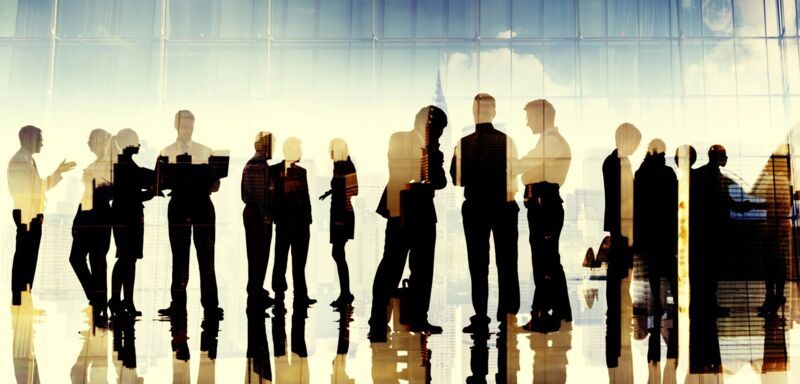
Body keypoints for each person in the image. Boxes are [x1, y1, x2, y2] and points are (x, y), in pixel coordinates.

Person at [368, 105, 448, 342]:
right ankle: (378, 320)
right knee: (391, 267)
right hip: (401, 210)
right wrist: (425, 161)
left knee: (423, 270)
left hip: (422, 214)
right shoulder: (399, 139)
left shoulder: (435, 151)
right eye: (438, 129)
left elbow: (441, 182)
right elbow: (399, 168)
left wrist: (431, 157)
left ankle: (417, 317)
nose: (439, 135)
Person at [451, 93, 520, 335]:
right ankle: (508, 314)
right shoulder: (506, 141)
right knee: (507, 262)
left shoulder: (464, 143)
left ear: (473, 112)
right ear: (494, 112)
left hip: (476, 208)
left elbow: (456, 180)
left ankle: (481, 315)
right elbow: (515, 173)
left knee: (478, 264)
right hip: (503, 206)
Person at [157, 110, 224, 319]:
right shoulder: (166, 152)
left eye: (190, 127)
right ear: (176, 126)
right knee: (180, 258)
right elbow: (157, 182)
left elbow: (216, 185)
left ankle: (210, 306)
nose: (187, 130)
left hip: (199, 205)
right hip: (181, 205)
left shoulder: (205, 151)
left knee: (206, 259)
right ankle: (179, 304)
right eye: (184, 126)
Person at [517, 99, 572, 333]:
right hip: (544, 203)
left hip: (543, 205)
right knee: (549, 261)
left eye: (530, 116)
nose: (527, 122)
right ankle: (561, 313)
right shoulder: (549, 142)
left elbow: (524, 166)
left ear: (542, 116)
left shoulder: (550, 142)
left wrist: (524, 171)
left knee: (544, 262)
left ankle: (542, 315)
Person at [8, 125, 76, 305]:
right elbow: (27, 192)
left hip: (28, 214)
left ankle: (23, 295)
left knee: (27, 257)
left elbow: (38, 188)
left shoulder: (26, 160)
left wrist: (58, 173)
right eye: (40, 138)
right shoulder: (22, 161)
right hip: (27, 214)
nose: (42, 143)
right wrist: (33, 216)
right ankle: (20, 297)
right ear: (30, 139)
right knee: (26, 257)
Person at [633, 138, 678, 362]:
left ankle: (659, 305)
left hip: (649, 231)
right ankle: (674, 300)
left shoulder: (643, 173)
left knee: (653, 270)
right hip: (666, 230)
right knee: (669, 267)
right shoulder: (668, 174)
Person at [602, 122, 641, 368]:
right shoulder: (618, 162)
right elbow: (624, 196)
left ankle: (618, 306)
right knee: (619, 272)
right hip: (623, 224)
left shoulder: (615, 161)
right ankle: (617, 307)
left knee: (620, 271)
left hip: (622, 223)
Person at [108, 129, 155, 319]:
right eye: (136, 141)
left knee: (128, 258)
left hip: (125, 215)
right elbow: (133, 192)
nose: (139, 145)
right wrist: (150, 193)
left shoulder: (123, 164)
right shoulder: (124, 166)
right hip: (128, 216)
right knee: (127, 258)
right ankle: (119, 299)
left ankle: (124, 299)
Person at [69, 128, 114, 323]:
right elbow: (85, 195)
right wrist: (77, 219)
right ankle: (96, 299)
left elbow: (110, 191)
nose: (89, 144)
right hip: (88, 216)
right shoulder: (95, 165)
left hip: (100, 216)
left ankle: (99, 302)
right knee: (78, 258)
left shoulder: (111, 165)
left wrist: (95, 184)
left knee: (97, 261)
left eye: (92, 141)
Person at [270, 137, 315, 306]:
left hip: (300, 223)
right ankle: (281, 293)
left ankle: (298, 294)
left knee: (298, 261)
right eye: (298, 149)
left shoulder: (300, 172)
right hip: (285, 222)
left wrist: (308, 220)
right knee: (281, 259)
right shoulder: (274, 171)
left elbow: (306, 197)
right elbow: (272, 197)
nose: (301, 153)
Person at [319, 138, 359, 308]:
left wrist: (340, 219)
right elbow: (342, 188)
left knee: (338, 253)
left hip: (341, 214)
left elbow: (353, 190)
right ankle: (345, 292)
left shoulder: (345, 166)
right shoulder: (341, 165)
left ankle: (346, 293)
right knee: (338, 253)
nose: (330, 153)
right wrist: (329, 192)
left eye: (332, 150)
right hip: (339, 213)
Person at [242, 131, 276, 314]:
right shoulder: (260, 166)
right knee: (259, 255)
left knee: (254, 254)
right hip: (259, 216)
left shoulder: (251, 165)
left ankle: (256, 289)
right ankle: (256, 290)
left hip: (251, 214)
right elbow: (261, 194)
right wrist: (265, 217)